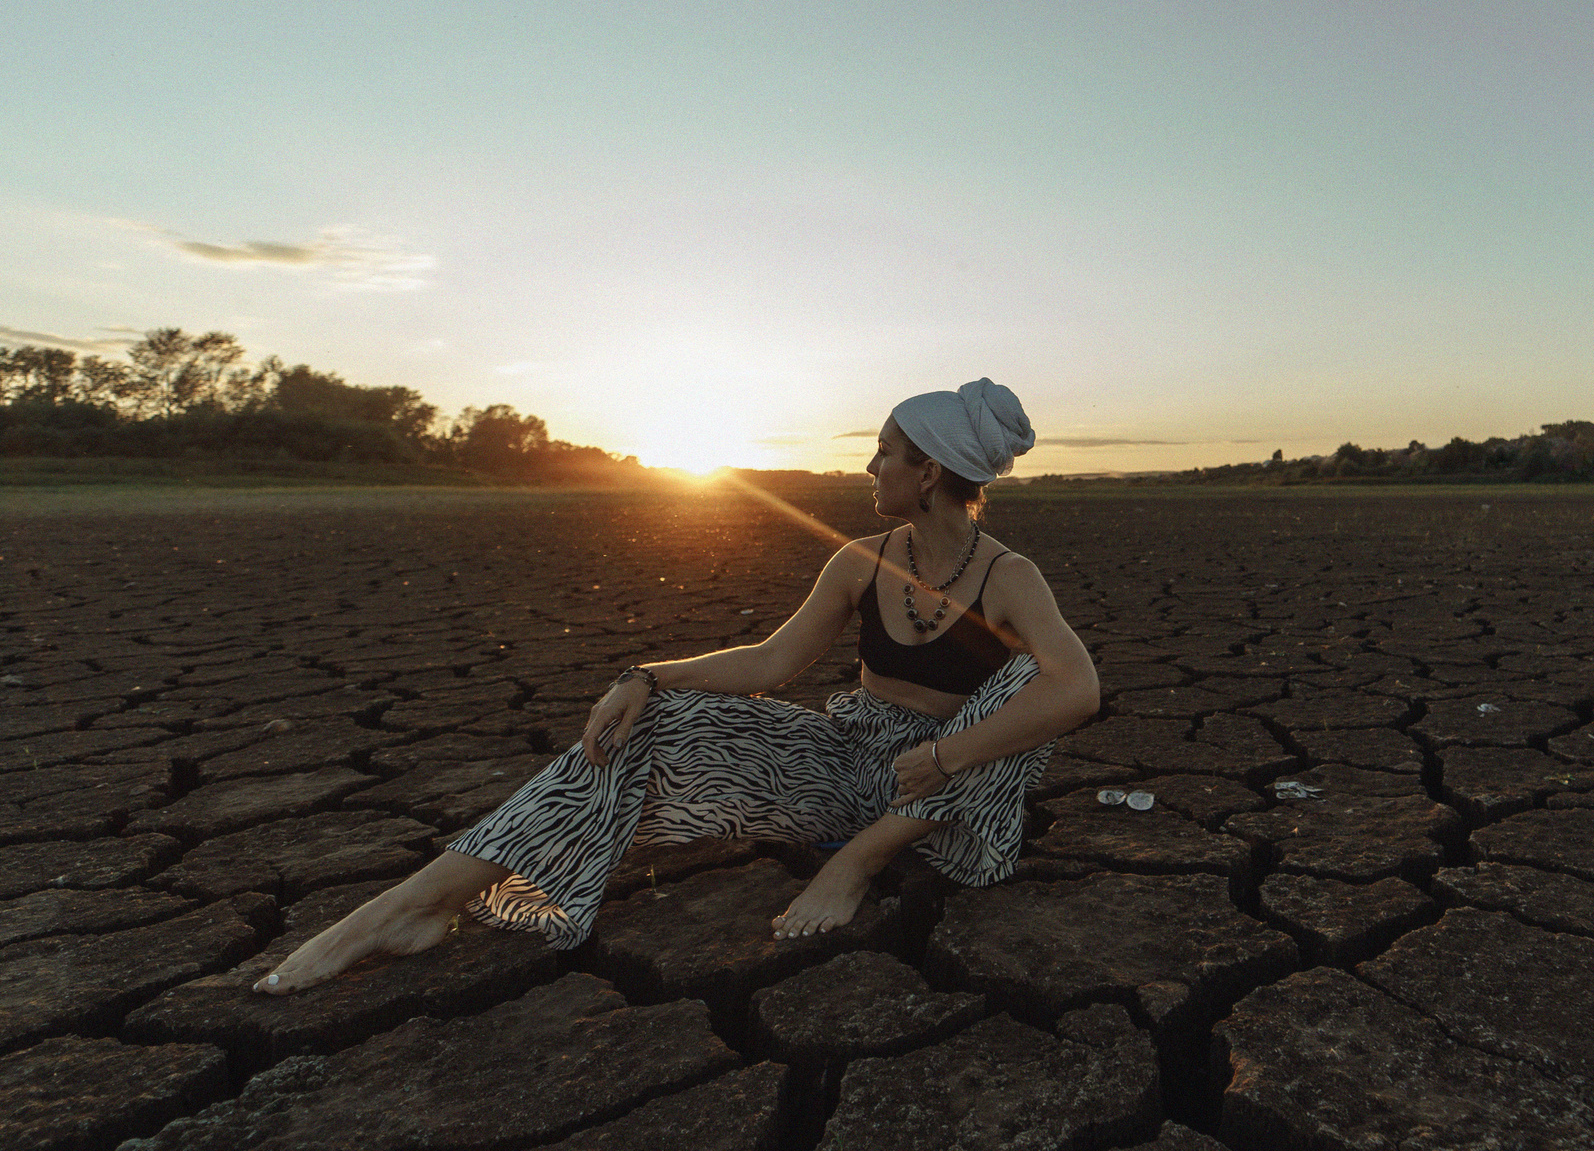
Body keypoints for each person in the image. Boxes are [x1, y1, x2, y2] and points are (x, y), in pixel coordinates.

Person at [255, 378, 1095, 994]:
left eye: (884, 451)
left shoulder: (1009, 576)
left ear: (928, 472)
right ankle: (410, 905)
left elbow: (1079, 691)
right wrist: (644, 676)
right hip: (850, 764)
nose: (868, 466)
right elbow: (771, 663)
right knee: (657, 721)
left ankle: (856, 865)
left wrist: (946, 755)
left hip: (953, 802)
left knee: (1033, 683)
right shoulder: (861, 560)